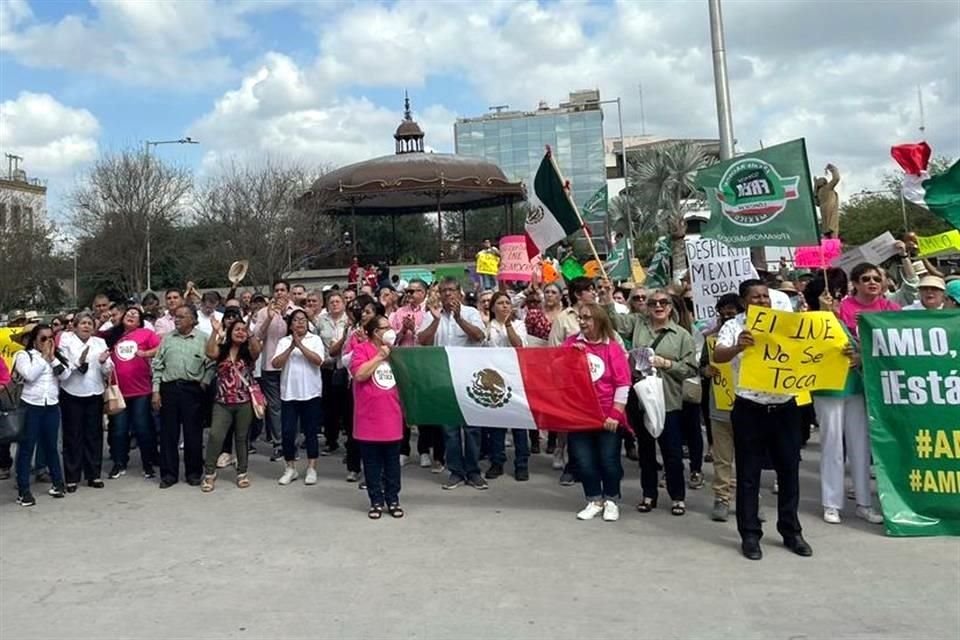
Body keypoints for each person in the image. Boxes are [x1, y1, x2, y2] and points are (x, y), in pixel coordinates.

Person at [714, 279, 812, 561]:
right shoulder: (734, 326)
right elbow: (719, 355)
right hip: (750, 407)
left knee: (789, 469)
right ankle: (750, 534)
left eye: (765, 296)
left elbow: (811, 346)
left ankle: (791, 530)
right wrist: (737, 348)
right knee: (748, 473)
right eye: (755, 297)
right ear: (744, 302)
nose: (762, 301)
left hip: (785, 406)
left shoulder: (787, 322)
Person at [602, 285, 698, 515]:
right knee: (646, 451)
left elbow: (691, 368)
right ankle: (649, 494)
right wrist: (606, 298)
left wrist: (667, 364)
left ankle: (677, 497)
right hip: (641, 399)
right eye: (653, 303)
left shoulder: (682, 335)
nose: (658, 306)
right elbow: (613, 320)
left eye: (663, 303)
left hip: (668, 400)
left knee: (672, 452)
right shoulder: (637, 324)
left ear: (671, 307)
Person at [813, 269, 886, 526]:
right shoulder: (822, 317)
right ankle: (831, 503)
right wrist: (826, 314)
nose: (833, 299)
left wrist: (860, 356)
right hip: (828, 388)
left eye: (876, 279)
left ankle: (864, 503)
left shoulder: (865, 313)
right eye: (865, 279)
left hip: (857, 385)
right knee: (832, 445)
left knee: (860, 446)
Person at [562, 304, 631, 521]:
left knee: (609, 460)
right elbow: (557, 371)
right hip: (579, 415)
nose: (582, 322)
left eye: (587, 318)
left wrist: (615, 414)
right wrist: (571, 357)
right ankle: (593, 499)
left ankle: (611, 499)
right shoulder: (571, 343)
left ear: (600, 321)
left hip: (606, 415)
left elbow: (623, 383)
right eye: (580, 318)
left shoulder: (612, 348)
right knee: (584, 460)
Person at [418, 277, 487, 490]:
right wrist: (437, 320)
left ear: (459, 292)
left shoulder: (471, 313)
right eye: (444, 291)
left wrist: (459, 319)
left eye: (451, 290)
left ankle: (473, 471)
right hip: (444, 379)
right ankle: (456, 471)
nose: (447, 294)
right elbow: (422, 340)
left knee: (472, 429)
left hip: (469, 379)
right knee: (450, 429)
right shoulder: (432, 315)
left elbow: (479, 336)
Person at [151, 305, 215, 488]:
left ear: (193, 319)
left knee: (193, 433)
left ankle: (194, 473)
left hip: (193, 390)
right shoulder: (168, 339)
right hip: (169, 389)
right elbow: (157, 365)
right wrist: (156, 391)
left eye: (181, 317)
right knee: (168, 434)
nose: (177, 320)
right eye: (176, 317)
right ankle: (168, 474)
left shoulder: (203, 338)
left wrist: (205, 380)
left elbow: (211, 364)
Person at [350, 315, 405, 518]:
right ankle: (376, 501)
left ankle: (393, 499)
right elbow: (360, 374)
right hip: (368, 418)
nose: (390, 330)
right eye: (385, 327)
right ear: (375, 332)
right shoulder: (361, 350)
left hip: (392, 415)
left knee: (392, 463)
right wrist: (379, 357)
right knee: (372, 464)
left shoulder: (396, 352)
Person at [13, 324, 71, 506]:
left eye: (49, 338)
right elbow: (29, 375)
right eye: (43, 338)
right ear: (34, 339)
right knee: (27, 447)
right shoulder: (25, 356)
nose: (47, 342)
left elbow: (65, 375)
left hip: (51, 405)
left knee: (51, 446)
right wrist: (43, 357)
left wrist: (52, 358)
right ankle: (24, 491)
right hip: (31, 405)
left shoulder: (56, 355)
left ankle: (58, 483)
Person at [201, 319, 261, 492]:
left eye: (243, 330)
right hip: (222, 402)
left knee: (242, 438)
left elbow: (257, 351)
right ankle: (210, 473)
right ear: (230, 331)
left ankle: (242, 472)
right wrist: (215, 331)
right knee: (215, 436)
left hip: (244, 402)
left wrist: (251, 335)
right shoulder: (222, 350)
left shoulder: (247, 352)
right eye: (237, 329)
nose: (240, 332)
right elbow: (209, 352)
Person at [104, 307, 161, 480]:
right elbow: (94, 336)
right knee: (119, 430)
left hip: (141, 390)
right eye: (128, 313)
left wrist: (146, 353)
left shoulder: (145, 333)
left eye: (135, 315)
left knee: (143, 428)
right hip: (118, 391)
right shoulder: (113, 335)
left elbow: (161, 348)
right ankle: (119, 463)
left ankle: (148, 464)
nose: (131, 315)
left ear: (140, 321)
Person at [699, 294, 743, 521]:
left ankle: (748, 498)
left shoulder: (753, 338)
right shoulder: (711, 340)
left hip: (749, 406)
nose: (728, 315)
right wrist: (707, 371)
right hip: (720, 403)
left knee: (748, 456)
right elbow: (701, 366)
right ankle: (722, 497)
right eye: (723, 311)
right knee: (723, 456)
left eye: (732, 311)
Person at [58, 311, 112, 492]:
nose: (86, 326)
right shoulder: (66, 342)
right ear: (75, 325)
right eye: (83, 323)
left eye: (90, 323)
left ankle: (93, 474)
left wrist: (104, 362)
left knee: (94, 435)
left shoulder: (100, 343)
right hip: (71, 392)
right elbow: (63, 369)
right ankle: (72, 477)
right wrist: (78, 363)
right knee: (73, 435)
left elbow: (108, 370)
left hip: (94, 392)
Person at [272, 309, 326, 486]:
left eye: (303, 320)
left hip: (311, 393)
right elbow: (275, 363)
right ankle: (290, 468)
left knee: (311, 432)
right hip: (289, 394)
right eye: (296, 320)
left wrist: (301, 346)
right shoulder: (283, 341)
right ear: (290, 324)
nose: (300, 323)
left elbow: (318, 361)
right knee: (287, 432)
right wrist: (291, 346)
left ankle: (312, 467)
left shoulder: (315, 339)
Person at [483, 291, 530, 481]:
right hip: (495, 378)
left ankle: (522, 463)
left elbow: (518, 344)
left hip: (515, 378)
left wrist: (508, 323)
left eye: (507, 303)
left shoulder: (519, 324)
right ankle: (497, 461)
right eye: (500, 303)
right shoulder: (488, 327)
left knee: (519, 424)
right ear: (493, 307)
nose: (504, 306)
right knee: (497, 424)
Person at [253, 280, 296, 461]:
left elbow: (300, 332)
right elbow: (257, 336)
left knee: (292, 405)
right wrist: (270, 317)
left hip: (291, 365)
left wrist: (286, 314)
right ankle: (279, 444)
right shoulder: (263, 312)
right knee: (275, 407)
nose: (279, 293)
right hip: (270, 366)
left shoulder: (295, 312)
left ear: (288, 292)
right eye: (276, 290)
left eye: (282, 290)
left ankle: (291, 442)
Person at [318, 290, 351, 459]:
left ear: (343, 304)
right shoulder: (321, 320)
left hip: (345, 368)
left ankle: (350, 445)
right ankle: (331, 441)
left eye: (338, 301)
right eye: (331, 302)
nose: (335, 304)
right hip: (327, 367)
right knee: (329, 407)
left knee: (346, 408)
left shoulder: (349, 320)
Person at [837, 263, 902, 335]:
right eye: (866, 279)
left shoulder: (892, 307)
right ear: (855, 284)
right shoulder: (842, 308)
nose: (872, 282)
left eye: (877, 279)